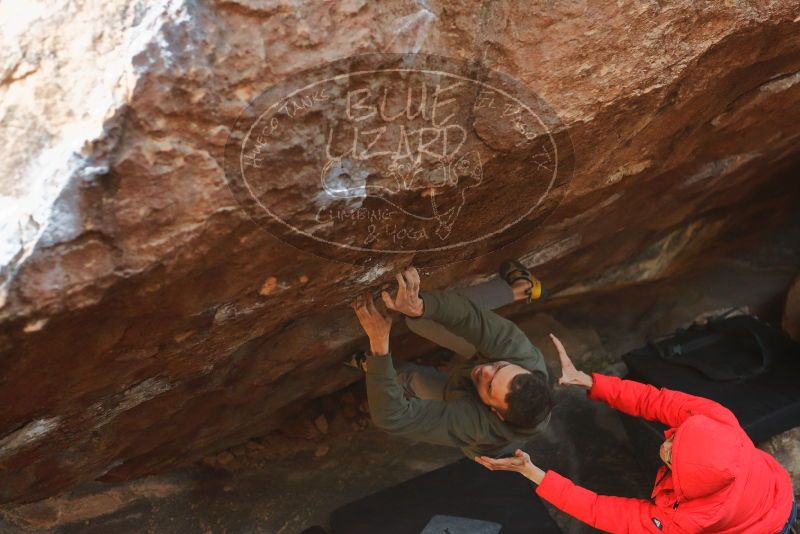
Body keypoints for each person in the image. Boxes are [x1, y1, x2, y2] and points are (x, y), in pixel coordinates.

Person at [476, 335, 796, 533]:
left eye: (673, 455)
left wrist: (534, 473)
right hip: (777, 492)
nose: (665, 444)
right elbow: (654, 401)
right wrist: (592, 383)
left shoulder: (685, 519)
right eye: (676, 437)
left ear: (690, 484)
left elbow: (602, 511)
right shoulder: (713, 418)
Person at [350, 264, 553, 459]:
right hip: (482, 368)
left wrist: (379, 347)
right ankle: (520, 289)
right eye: (499, 367)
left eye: (490, 386)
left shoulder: (474, 425)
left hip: (469, 412)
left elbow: (392, 417)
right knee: (423, 319)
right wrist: (419, 306)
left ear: (496, 413)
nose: (484, 370)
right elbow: (469, 317)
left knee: (413, 380)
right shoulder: (520, 354)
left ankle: (374, 366)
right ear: (523, 369)